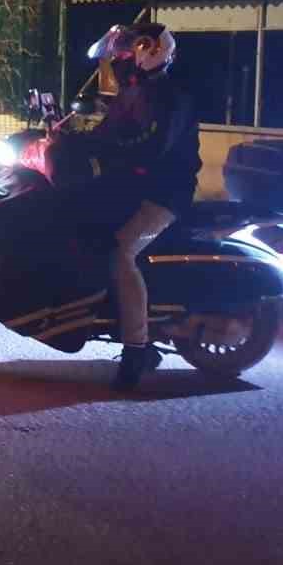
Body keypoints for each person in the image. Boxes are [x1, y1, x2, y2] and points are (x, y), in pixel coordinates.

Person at [82, 19, 200, 390]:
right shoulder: (136, 89)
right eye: (118, 54)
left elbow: (150, 147)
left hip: (165, 194)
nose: (118, 60)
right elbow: (108, 130)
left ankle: (136, 349)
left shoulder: (171, 96)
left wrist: (105, 157)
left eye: (125, 52)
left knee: (121, 250)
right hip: (132, 188)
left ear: (151, 51)